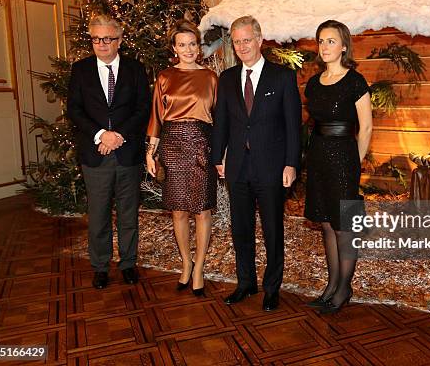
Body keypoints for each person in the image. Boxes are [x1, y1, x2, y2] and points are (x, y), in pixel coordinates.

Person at [212, 16, 301, 311]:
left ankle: (272, 287)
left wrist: (291, 164)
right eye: (236, 41)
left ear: (260, 40)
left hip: (272, 167)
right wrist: (217, 158)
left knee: (273, 230)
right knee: (241, 228)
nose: (241, 46)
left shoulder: (282, 77)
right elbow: (221, 122)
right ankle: (246, 282)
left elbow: (293, 126)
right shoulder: (226, 79)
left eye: (246, 40)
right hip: (237, 166)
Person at [68, 14, 151, 289]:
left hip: (127, 154)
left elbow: (142, 108)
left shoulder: (135, 70)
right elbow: (75, 110)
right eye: (96, 39)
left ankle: (128, 263)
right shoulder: (80, 70)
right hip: (95, 155)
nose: (101, 44)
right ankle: (100, 266)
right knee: (99, 215)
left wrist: (119, 136)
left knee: (128, 214)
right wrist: (102, 135)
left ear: (120, 40)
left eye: (107, 38)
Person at [304, 19, 373, 314]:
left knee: (344, 227)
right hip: (318, 155)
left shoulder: (355, 81)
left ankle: (345, 287)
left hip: (344, 157)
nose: (325, 46)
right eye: (321, 41)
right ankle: (331, 285)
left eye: (331, 41)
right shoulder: (313, 83)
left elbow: (366, 128)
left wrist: (354, 165)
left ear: (344, 46)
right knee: (326, 223)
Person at [145, 21, 218, 297]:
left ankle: (199, 267)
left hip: (202, 144)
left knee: (202, 210)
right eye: (182, 44)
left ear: (199, 47)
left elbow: (219, 118)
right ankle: (185, 263)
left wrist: (221, 153)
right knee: (178, 210)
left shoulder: (211, 77)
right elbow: (156, 117)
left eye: (193, 43)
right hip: (172, 146)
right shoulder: (164, 77)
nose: (188, 49)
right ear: (174, 48)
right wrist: (150, 153)